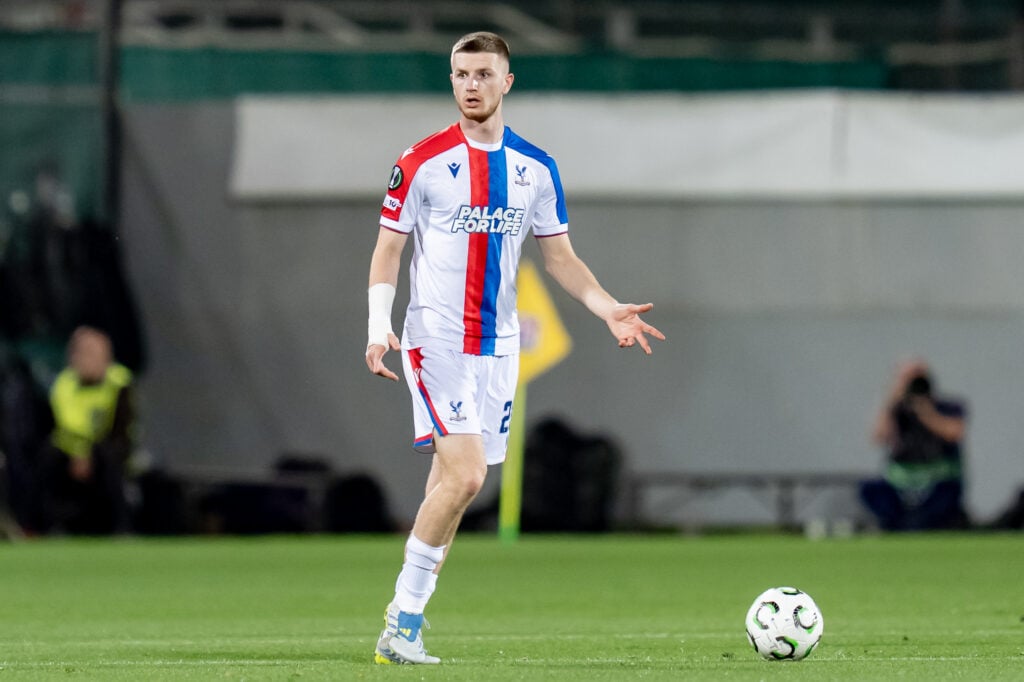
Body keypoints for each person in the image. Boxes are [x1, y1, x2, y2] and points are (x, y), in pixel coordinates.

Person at [365, 31, 665, 665]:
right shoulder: (421, 162)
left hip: (497, 349)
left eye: (481, 74)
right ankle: (403, 623)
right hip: (434, 340)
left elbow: (560, 257)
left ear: (507, 82)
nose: (469, 85)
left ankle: (404, 616)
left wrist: (607, 306)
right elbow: (389, 248)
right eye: (459, 74)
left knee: (449, 484)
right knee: (469, 476)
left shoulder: (535, 168)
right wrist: (377, 325)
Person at [38, 326, 136, 534]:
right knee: (48, 455)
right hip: (71, 448)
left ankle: (122, 526)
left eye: (97, 354)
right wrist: (79, 452)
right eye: (84, 354)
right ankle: (51, 525)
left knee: (110, 456)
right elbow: (64, 424)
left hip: (107, 446)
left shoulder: (119, 382)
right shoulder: (64, 384)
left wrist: (89, 453)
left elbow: (121, 428)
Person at [860, 359, 968, 531]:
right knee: (871, 490)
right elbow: (878, 436)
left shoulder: (947, 406)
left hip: (939, 481)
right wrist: (891, 400)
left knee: (928, 518)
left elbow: (954, 433)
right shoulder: (897, 410)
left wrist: (926, 411)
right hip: (901, 481)